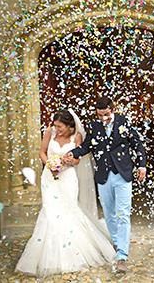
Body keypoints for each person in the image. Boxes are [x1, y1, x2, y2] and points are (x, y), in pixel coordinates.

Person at [15, 109, 115, 278]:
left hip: (68, 178)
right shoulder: (49, 131)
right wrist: (50, 165)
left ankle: (73, 255)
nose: (57, 129)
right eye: (55, 126)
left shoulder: (77, 136)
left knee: (69, 211)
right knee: (50, 212)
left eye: (60, 126)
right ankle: (47, 257)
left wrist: (70, 161)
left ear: (70, 126)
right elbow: (42, 152)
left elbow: (77, 160)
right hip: (49, 178)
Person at [64, 97, 147, 272]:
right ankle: (117, 242)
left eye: (107, 115)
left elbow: (137, 144)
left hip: (123, 174)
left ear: (113, 109)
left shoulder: (124, 122)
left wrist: (142, 165)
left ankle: (122, 257)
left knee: (123, 214)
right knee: (109, 214)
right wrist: (72, 153)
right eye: (100, 115)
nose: (103, 118)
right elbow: (86, 146)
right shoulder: (93, 126)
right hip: (103, 176)